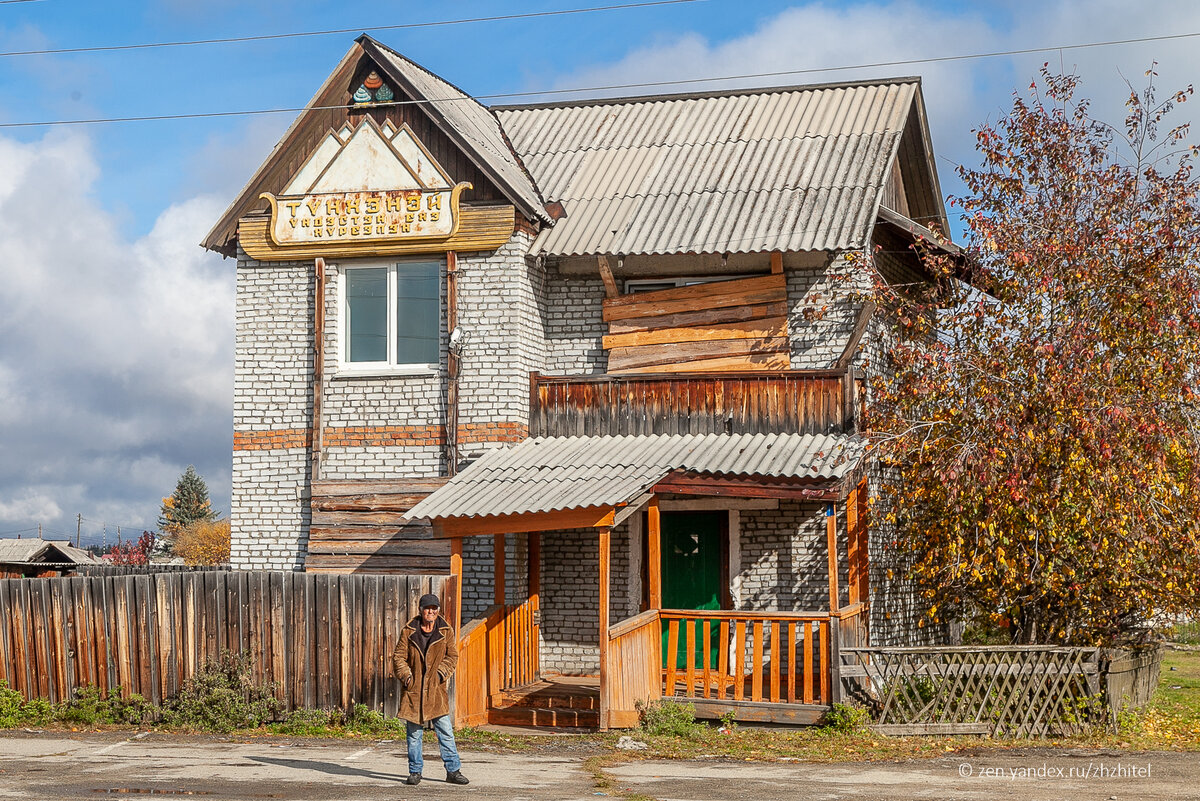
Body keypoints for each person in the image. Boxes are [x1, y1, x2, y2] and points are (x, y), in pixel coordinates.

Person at [392, 593, 468, 786]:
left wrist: (440, 674)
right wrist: (408, 677)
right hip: (414, 691)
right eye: (428, 608)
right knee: (414, 735)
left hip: (436, 691)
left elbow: (452, 656)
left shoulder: (446, 631)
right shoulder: (409, 631)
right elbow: (398, 657)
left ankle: (453, 771)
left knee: (445, 732)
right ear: (421, 610)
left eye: (435, 608)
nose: (431, 611)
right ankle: (415, 772)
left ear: (438, 610)